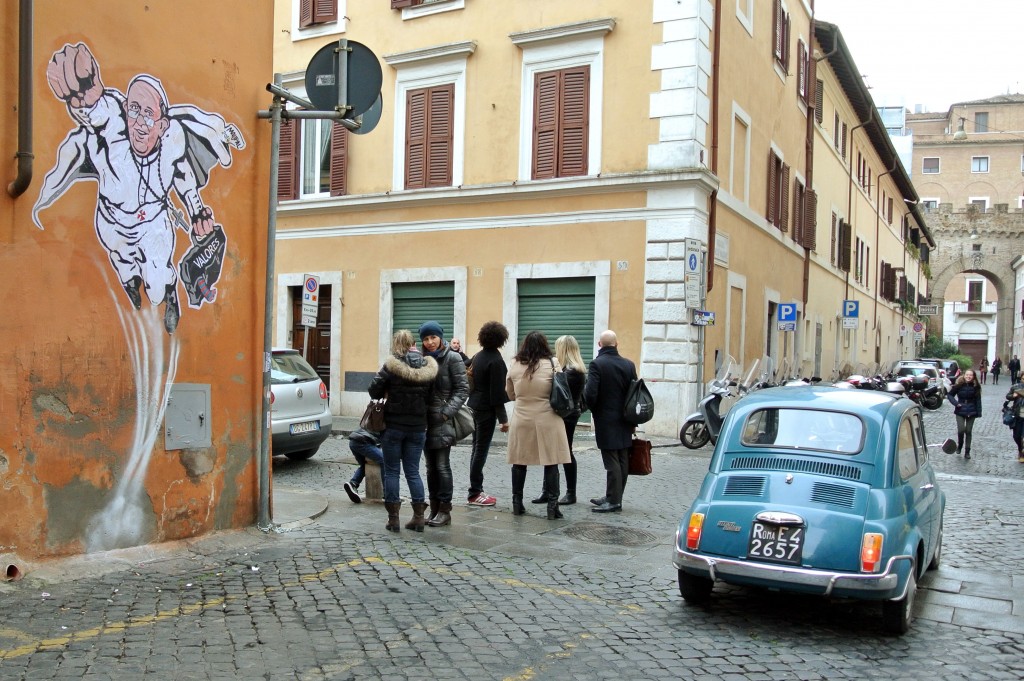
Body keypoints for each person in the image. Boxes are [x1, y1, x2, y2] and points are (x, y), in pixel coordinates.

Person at [34, 43, 245, 334]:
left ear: (162, 124)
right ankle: (131, 286)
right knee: (124, 267)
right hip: (111, 220)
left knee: (156, 284)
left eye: (149, 115)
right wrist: (85, 94)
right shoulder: (113, 128)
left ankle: (169, 292)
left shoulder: (172, 140)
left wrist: (197, 212)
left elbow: (181, 174)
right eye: (133, 110)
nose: (140, 124)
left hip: (153, 223)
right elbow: (97, 110)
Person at [368, 330, 438, 532]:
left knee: (391, 471)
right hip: (418, 428)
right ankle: (418, 518)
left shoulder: (391, 366)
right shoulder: (428, 366)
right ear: (414, 343)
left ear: (396, 344)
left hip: (393, 427)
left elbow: (374, 390)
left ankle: (394, 519)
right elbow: (432, 397)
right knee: (413, 471)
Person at [505, 331, 572, 520]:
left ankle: (517, 504)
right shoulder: (552, 363)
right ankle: (552, 507)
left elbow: (510, 394)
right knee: (551, 462)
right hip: (548, 418)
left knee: (519, 462)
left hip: (522, 417)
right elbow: (560, 388)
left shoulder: (515, 364)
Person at [419, 321, 471, 527]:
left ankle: (445, 511)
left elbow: (462, 389)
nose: (430, 342)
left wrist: (446, 414)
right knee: (430, 468)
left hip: (442, 419)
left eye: (433, 337)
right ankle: (434, 509)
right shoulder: (422, 360)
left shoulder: (453, 357)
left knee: (441, 466)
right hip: (424, 421)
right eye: (426, 338)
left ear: (441, 337)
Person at [584, 330, 637, 513]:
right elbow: (634, 392)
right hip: (625, 417)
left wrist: (591, 408)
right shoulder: (629, 365)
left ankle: (613, 500)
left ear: (600, 345)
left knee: (611, 460)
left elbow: (590, 394)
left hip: (606, 419)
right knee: (622, 457)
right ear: (617, 344)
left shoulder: (597, 364)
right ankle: (613, 496)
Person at [532, 335, 587, 506]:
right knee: (552, 452)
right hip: (565, 414)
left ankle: (570, 493)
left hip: (566, 416)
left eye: (557, 348)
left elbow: (556, 392)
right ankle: (548, 490)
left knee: (565, 452)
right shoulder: (570, 369)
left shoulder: (572, 372)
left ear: (563, 350)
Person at [466, 321, 511, 507]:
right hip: (485, 410)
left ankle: (475, 489)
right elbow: (497, 394)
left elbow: (464, 365)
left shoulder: (478, 356)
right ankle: (475, 491)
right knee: (481, 451)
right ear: (501, 339)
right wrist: (504, 419)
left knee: (476, 448)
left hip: (473, 405)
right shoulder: (496, 361)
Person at [947, 369, 982, 460]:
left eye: (970, 375)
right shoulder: (959, 385)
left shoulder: (976, 386)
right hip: (960, 410)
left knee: (968, 431)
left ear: (973, 376)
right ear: (964, 375)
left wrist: (979, 412)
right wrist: (956, 403)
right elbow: (950, 395)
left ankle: (967, 451)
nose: (968, 377)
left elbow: (978, 400)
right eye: (967, 375)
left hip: (972, 410)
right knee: (961, 430)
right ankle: (960, 445)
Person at [345, 428, 384, 503]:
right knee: (384, 461)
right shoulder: (390, 423)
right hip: (363, 442)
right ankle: (387, 493)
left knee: (364, 465)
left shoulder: (373, 419)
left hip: (353, 441)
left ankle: (353, 483)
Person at [1005, 382, 1024, 463]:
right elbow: (1008, 396)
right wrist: (1013, 396)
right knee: (1016, 436)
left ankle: (1022, 454)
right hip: (1017, 415)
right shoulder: (1016, 386)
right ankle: (1020, 448)